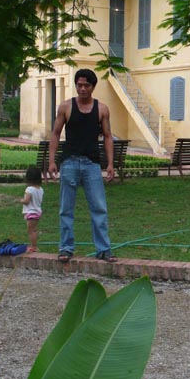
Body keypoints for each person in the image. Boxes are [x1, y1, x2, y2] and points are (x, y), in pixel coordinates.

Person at [48, 68, 118, 263]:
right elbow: (55, 134)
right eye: (79, 85)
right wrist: (52, 161)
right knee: (66, 209)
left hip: (92, 164)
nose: (82, 89)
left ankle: (103, 249)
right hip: (69, 162)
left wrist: (110, 163)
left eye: (86, 85)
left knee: (99, 208)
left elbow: (108, 136)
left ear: (93, 87)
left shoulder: (102, 109)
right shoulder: (65, 107)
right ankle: (66, 248)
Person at [17, 166, 44, 252]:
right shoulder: (40, 189)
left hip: (31, 213)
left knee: (30, 231)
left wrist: (20, 200)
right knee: (34, 229)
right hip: (38, 212)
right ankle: (34, 245)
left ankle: (34, 247)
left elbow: (27, 201)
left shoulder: (29, 189)